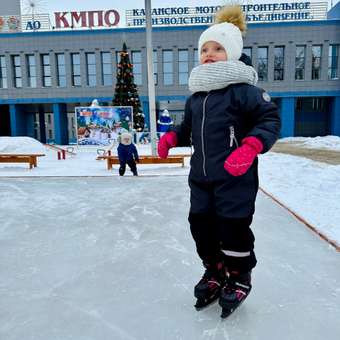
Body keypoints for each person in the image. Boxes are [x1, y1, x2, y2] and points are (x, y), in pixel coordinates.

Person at [157, 5, 281, 317]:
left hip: (235, 179)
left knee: (233, 228)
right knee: (200, 226)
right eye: (204, 49)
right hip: (200, 178)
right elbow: (188, 128)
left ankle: (239, 275)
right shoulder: (197, 96)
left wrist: (250, 146)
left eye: (218, 48)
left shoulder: (244, 92)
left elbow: (269, 119)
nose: (209, 54)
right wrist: (172, 137)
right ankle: (214, 269)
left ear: (234, 53)